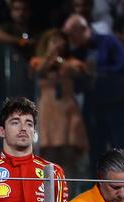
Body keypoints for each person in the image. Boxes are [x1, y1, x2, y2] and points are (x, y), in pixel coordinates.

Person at [62, 14, 124, 176]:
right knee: (95, 150)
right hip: (93, 106)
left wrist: (97, 73)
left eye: (72, 34)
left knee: (118, 148)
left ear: (83, 29)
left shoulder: (108, 42)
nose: (70, 39)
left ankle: (122, 188)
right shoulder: (77, 52)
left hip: (114, 103)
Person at [30, 29, 88, 180]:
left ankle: (67, 190)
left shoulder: (71, 62)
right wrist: (50, 56)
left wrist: (63, 63)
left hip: (67, 108)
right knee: (49, 152)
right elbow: (37, 72)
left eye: (61, 41)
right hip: (48, 108)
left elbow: (81, 71)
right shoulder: (37, 61)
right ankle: (49, 193)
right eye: (54, 41)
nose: (59, 45)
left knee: (69, 152)